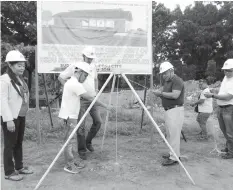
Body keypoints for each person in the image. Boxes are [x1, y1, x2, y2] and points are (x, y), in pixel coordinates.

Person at [58, 46, 107, 160]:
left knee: (98, 122)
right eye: (88, 57)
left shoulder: (93, 67)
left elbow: (95, 79)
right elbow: (61, 77)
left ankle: (87, 142)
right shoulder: (76, 66)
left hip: (93, 99)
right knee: (80, 127)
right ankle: (82, 150)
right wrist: (70, 88)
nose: (90, 60)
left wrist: (96, 91)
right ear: (83, 56)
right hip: (81, 100)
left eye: (91, 58)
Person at [0, 50, 33, 181]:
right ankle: (9, 172)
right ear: (10, 65)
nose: (22, 68)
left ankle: (19, 167)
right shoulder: (4, 80)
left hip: (20, 115)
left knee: (18, 142)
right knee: (9, 144)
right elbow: (2, 100)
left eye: (23, 65)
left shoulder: (19, 79)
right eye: (19, 65)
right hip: (11, 117)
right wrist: (8, 120)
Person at [149, 61, 184, 166]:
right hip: (169, 110)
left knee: (174, 134)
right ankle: (172, 154)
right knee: (169, 134)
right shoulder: (167, 81)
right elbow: (165, 94)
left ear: (171, 70)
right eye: (162, 74)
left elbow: (175, 95)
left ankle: (174, 158)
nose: (164, 76)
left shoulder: (177, 80)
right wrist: (159, 94)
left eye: (165, 73)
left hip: (175, 110)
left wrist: (161, 93)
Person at [204, 59, 233, 159]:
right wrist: (215, 90)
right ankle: (229, 147)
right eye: (225, 70)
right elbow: (222, 91)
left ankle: (231, 152)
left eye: (229, 70)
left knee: (230, 132)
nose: (226, 72)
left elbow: (228, 96)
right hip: (221, 108)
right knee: (224, 130)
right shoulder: (226, 78)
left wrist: (212, 95)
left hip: (229, 108)